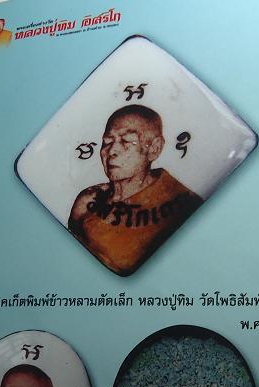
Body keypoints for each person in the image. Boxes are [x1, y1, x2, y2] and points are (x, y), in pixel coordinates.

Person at [68, 105, 203, 275]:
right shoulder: (87, 201)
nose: (112, 151)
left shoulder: (184, 205)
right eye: (107, 142)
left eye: (126, 141)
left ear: (154, 149)